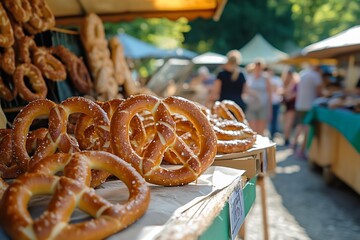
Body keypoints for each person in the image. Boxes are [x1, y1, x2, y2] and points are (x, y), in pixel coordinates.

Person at [292, 64, 322, 158]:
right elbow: (319, 91)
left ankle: (294, 144)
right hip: (309, 105)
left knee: (300, 125)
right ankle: (302, 150)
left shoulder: (302, 74)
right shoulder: (315, 76)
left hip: (300, 104)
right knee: (307, 128)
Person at [245, 59, 272, 136]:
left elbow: (269, 94)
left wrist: (270, 109)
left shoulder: (265, 78)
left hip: (263, 105)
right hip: (251, 106)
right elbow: (245, 91)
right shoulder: (249, 77)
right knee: (252, 129)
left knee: (261, 130)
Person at [281, 67, 299, 146]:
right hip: (290, 104)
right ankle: (286, 138)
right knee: (288, 122)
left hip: (287, 104)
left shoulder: (285, 81)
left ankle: (286, 137)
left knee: (286, 122)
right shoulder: (293, 82)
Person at [265, 67, 283, 140]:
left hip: (275, 102)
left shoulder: (277, 79)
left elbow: (279, 89)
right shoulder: (265, 79)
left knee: (274, 118)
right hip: (267, 102)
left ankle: (272, 133)